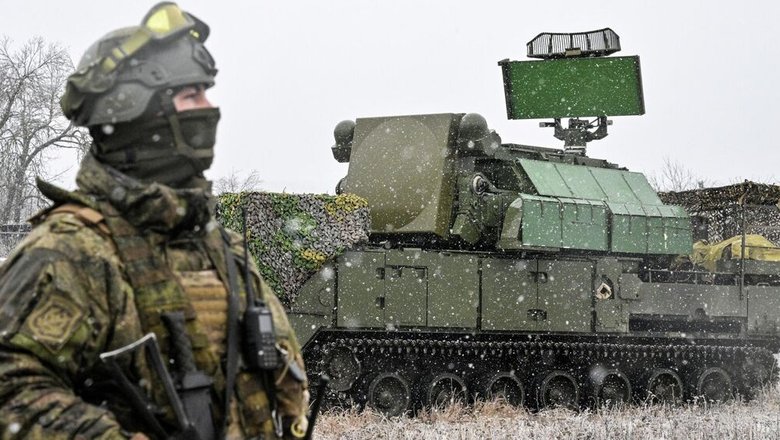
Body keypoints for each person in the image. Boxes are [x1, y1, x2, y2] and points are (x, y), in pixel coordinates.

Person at [0, 3, 309, 439]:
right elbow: (10, 390)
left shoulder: (223, 248)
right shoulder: (70, 252)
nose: (210, 108)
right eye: (192, 95)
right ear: (136, 110)